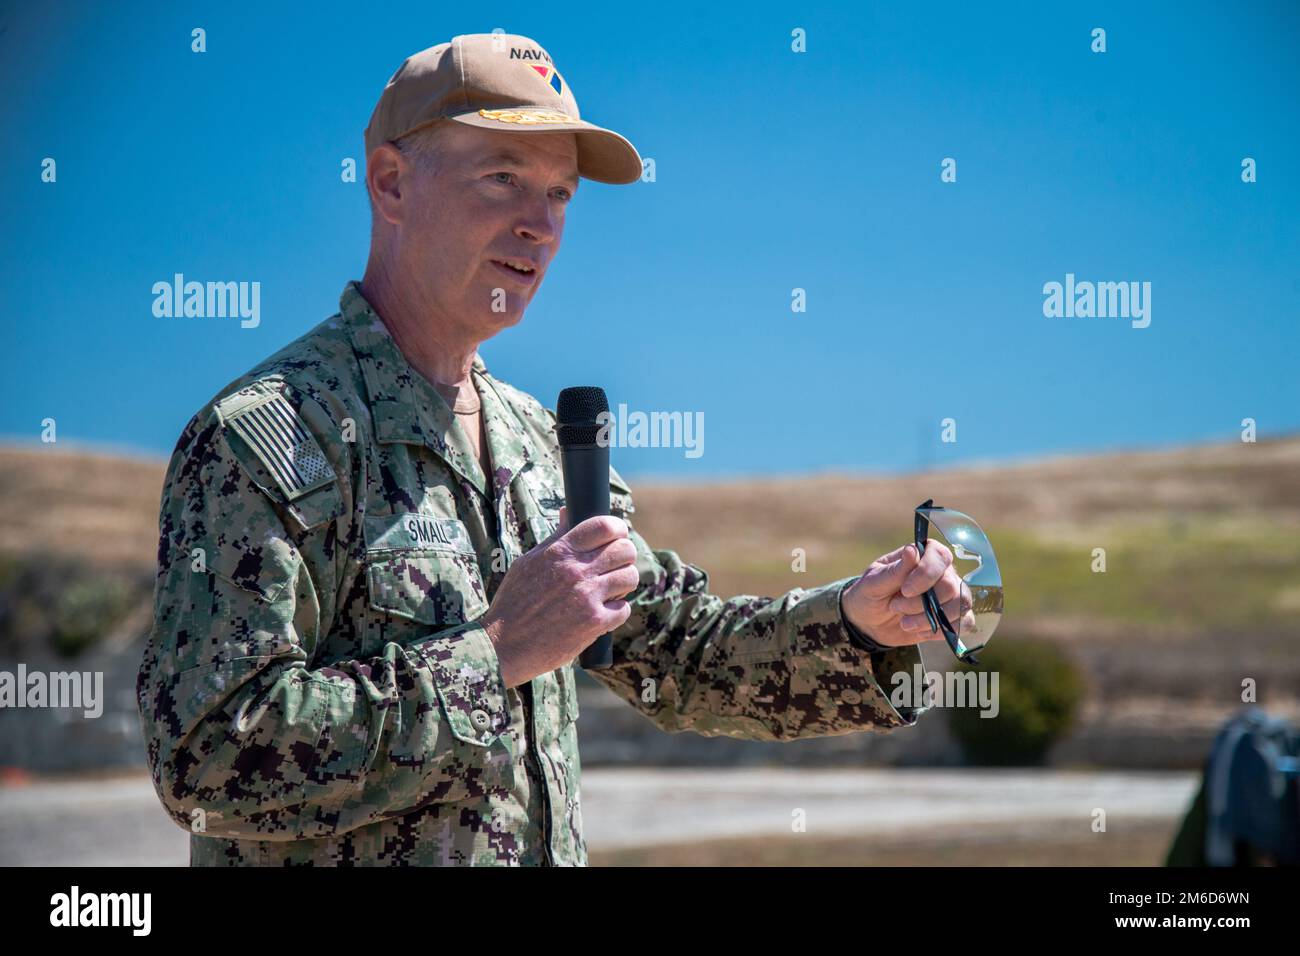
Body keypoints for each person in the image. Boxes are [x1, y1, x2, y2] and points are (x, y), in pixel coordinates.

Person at [136, 32, 965, 866]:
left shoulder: (541, 445)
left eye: (560, 194)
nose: (540, 226)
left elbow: (683, 655)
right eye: (502, 178)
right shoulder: (270, 436)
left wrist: (863, 619)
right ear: (391, 183)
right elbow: (208, 762)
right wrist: (495, 653)